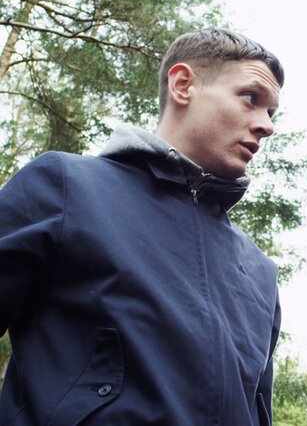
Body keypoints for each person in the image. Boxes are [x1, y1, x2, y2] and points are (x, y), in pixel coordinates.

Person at [0, 28, 284, 425]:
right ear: (183, 85)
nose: (266, 125)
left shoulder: (260, 271)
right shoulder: (66, 186)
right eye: (251, 98)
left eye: (271, 113)